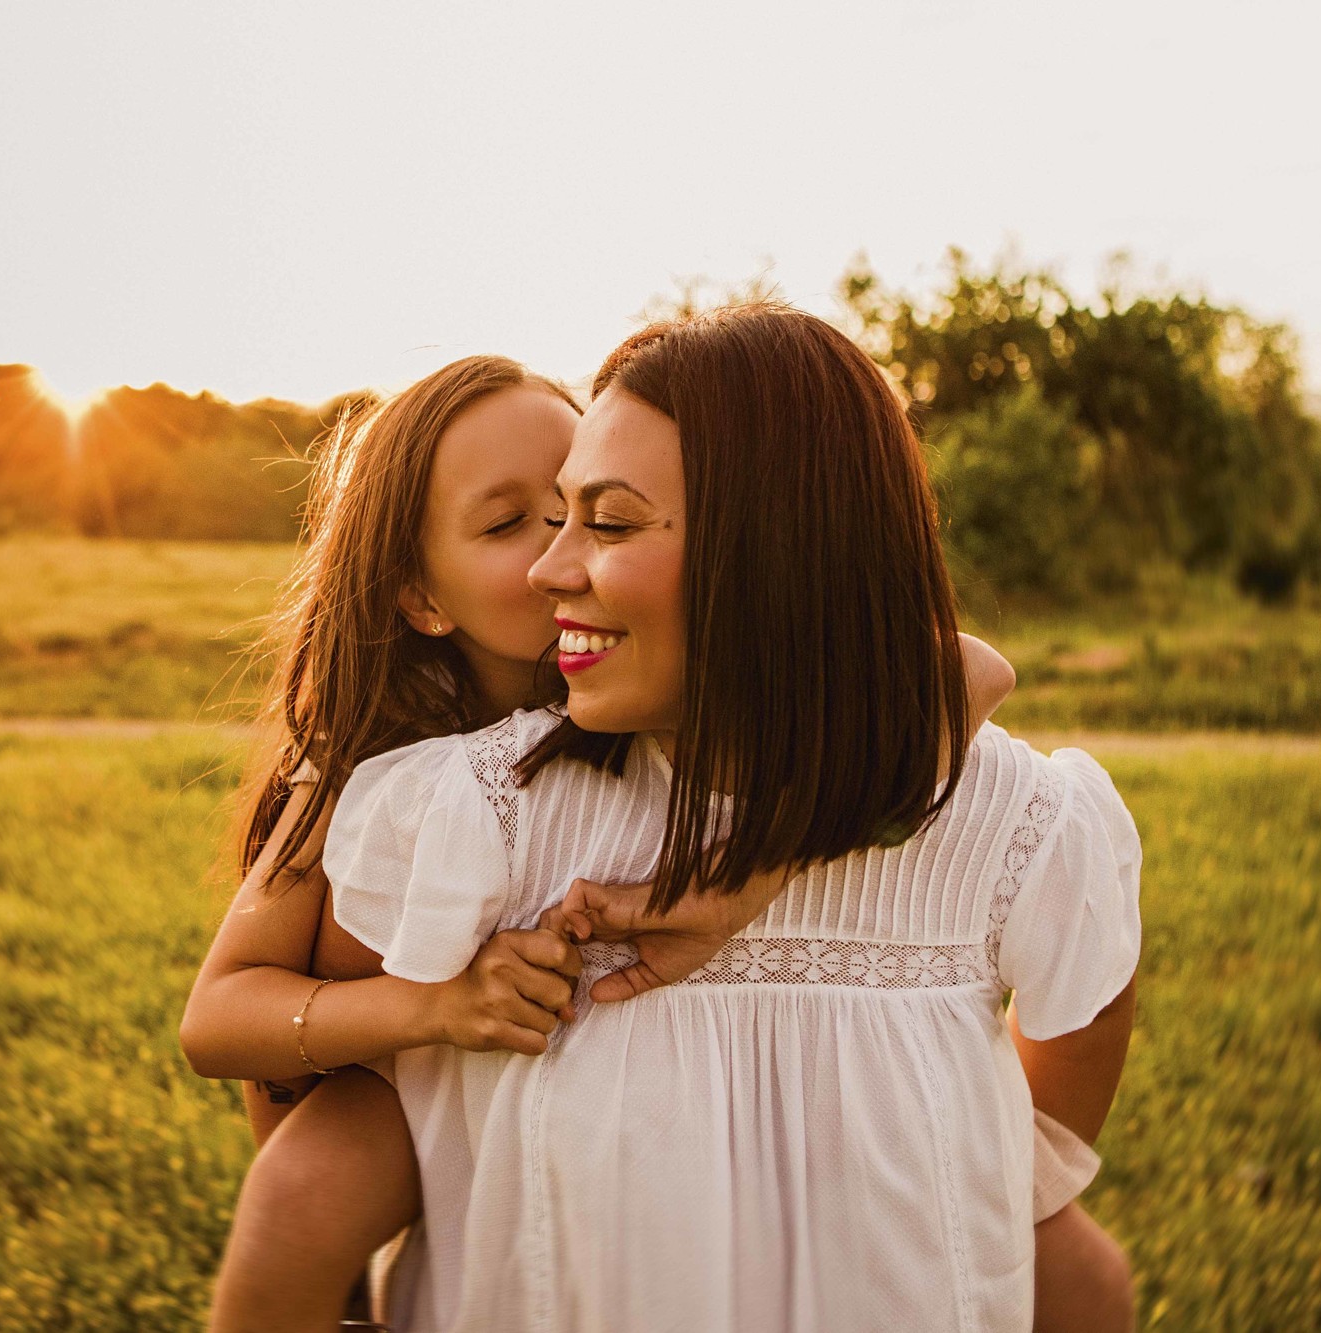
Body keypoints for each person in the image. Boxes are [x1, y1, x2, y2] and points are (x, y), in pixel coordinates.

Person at [322, 304, 1141, 1330]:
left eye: (608, 521)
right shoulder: (483, 812)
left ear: (773, 548)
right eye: (556, 517)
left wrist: (992, 1189)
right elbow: (306, 1069)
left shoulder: (1012, 820)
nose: (549, 568)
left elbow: (1089, 1000)